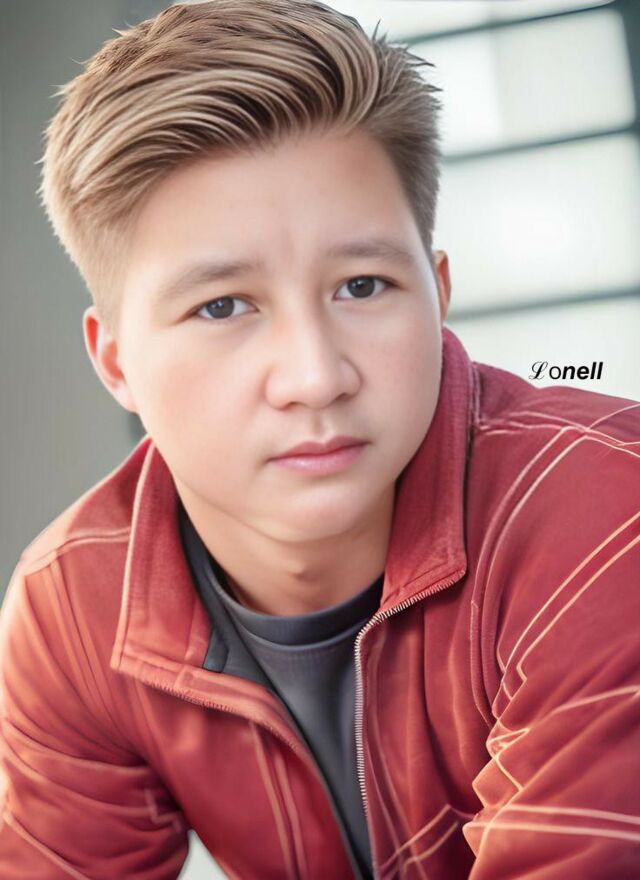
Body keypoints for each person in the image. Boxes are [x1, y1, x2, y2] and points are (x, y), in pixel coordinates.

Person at [1, 1, 638, 877]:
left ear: (438, 294)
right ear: (116, 363)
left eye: (363, 286)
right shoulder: (73, 606)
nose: (314, 376)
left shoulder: (606, 508)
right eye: (222, 306)